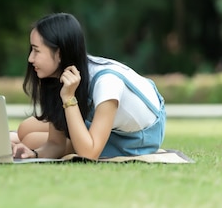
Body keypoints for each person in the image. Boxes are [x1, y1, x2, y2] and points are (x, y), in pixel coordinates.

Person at [12, 13, 166, 160]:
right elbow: (55, 143)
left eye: (36, 50)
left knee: (31, 139)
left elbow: (89, 154)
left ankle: (14, 140)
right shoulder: (63, 74)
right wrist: (34, 154)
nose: (30, 58)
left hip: (136, 137)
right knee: (24, 129)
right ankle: (12, 139)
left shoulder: (107, 83)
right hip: (106, 123)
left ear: (59, 54)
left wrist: (68, 97)